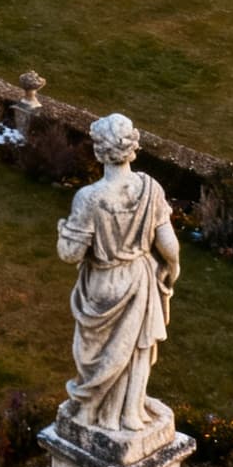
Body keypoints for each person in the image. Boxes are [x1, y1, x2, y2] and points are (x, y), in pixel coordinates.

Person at [56, 112, 180, 432]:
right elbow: (168, 242)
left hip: (102, 283)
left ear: (99, 150)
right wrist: (172, 266)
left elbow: (70, 255)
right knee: (137, 349)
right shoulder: (151, 188)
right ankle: (129, 412)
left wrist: (64, 233)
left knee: (101, 355)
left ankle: (91, 412)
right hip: (139, 276)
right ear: (132, 146)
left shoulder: (90, 198)